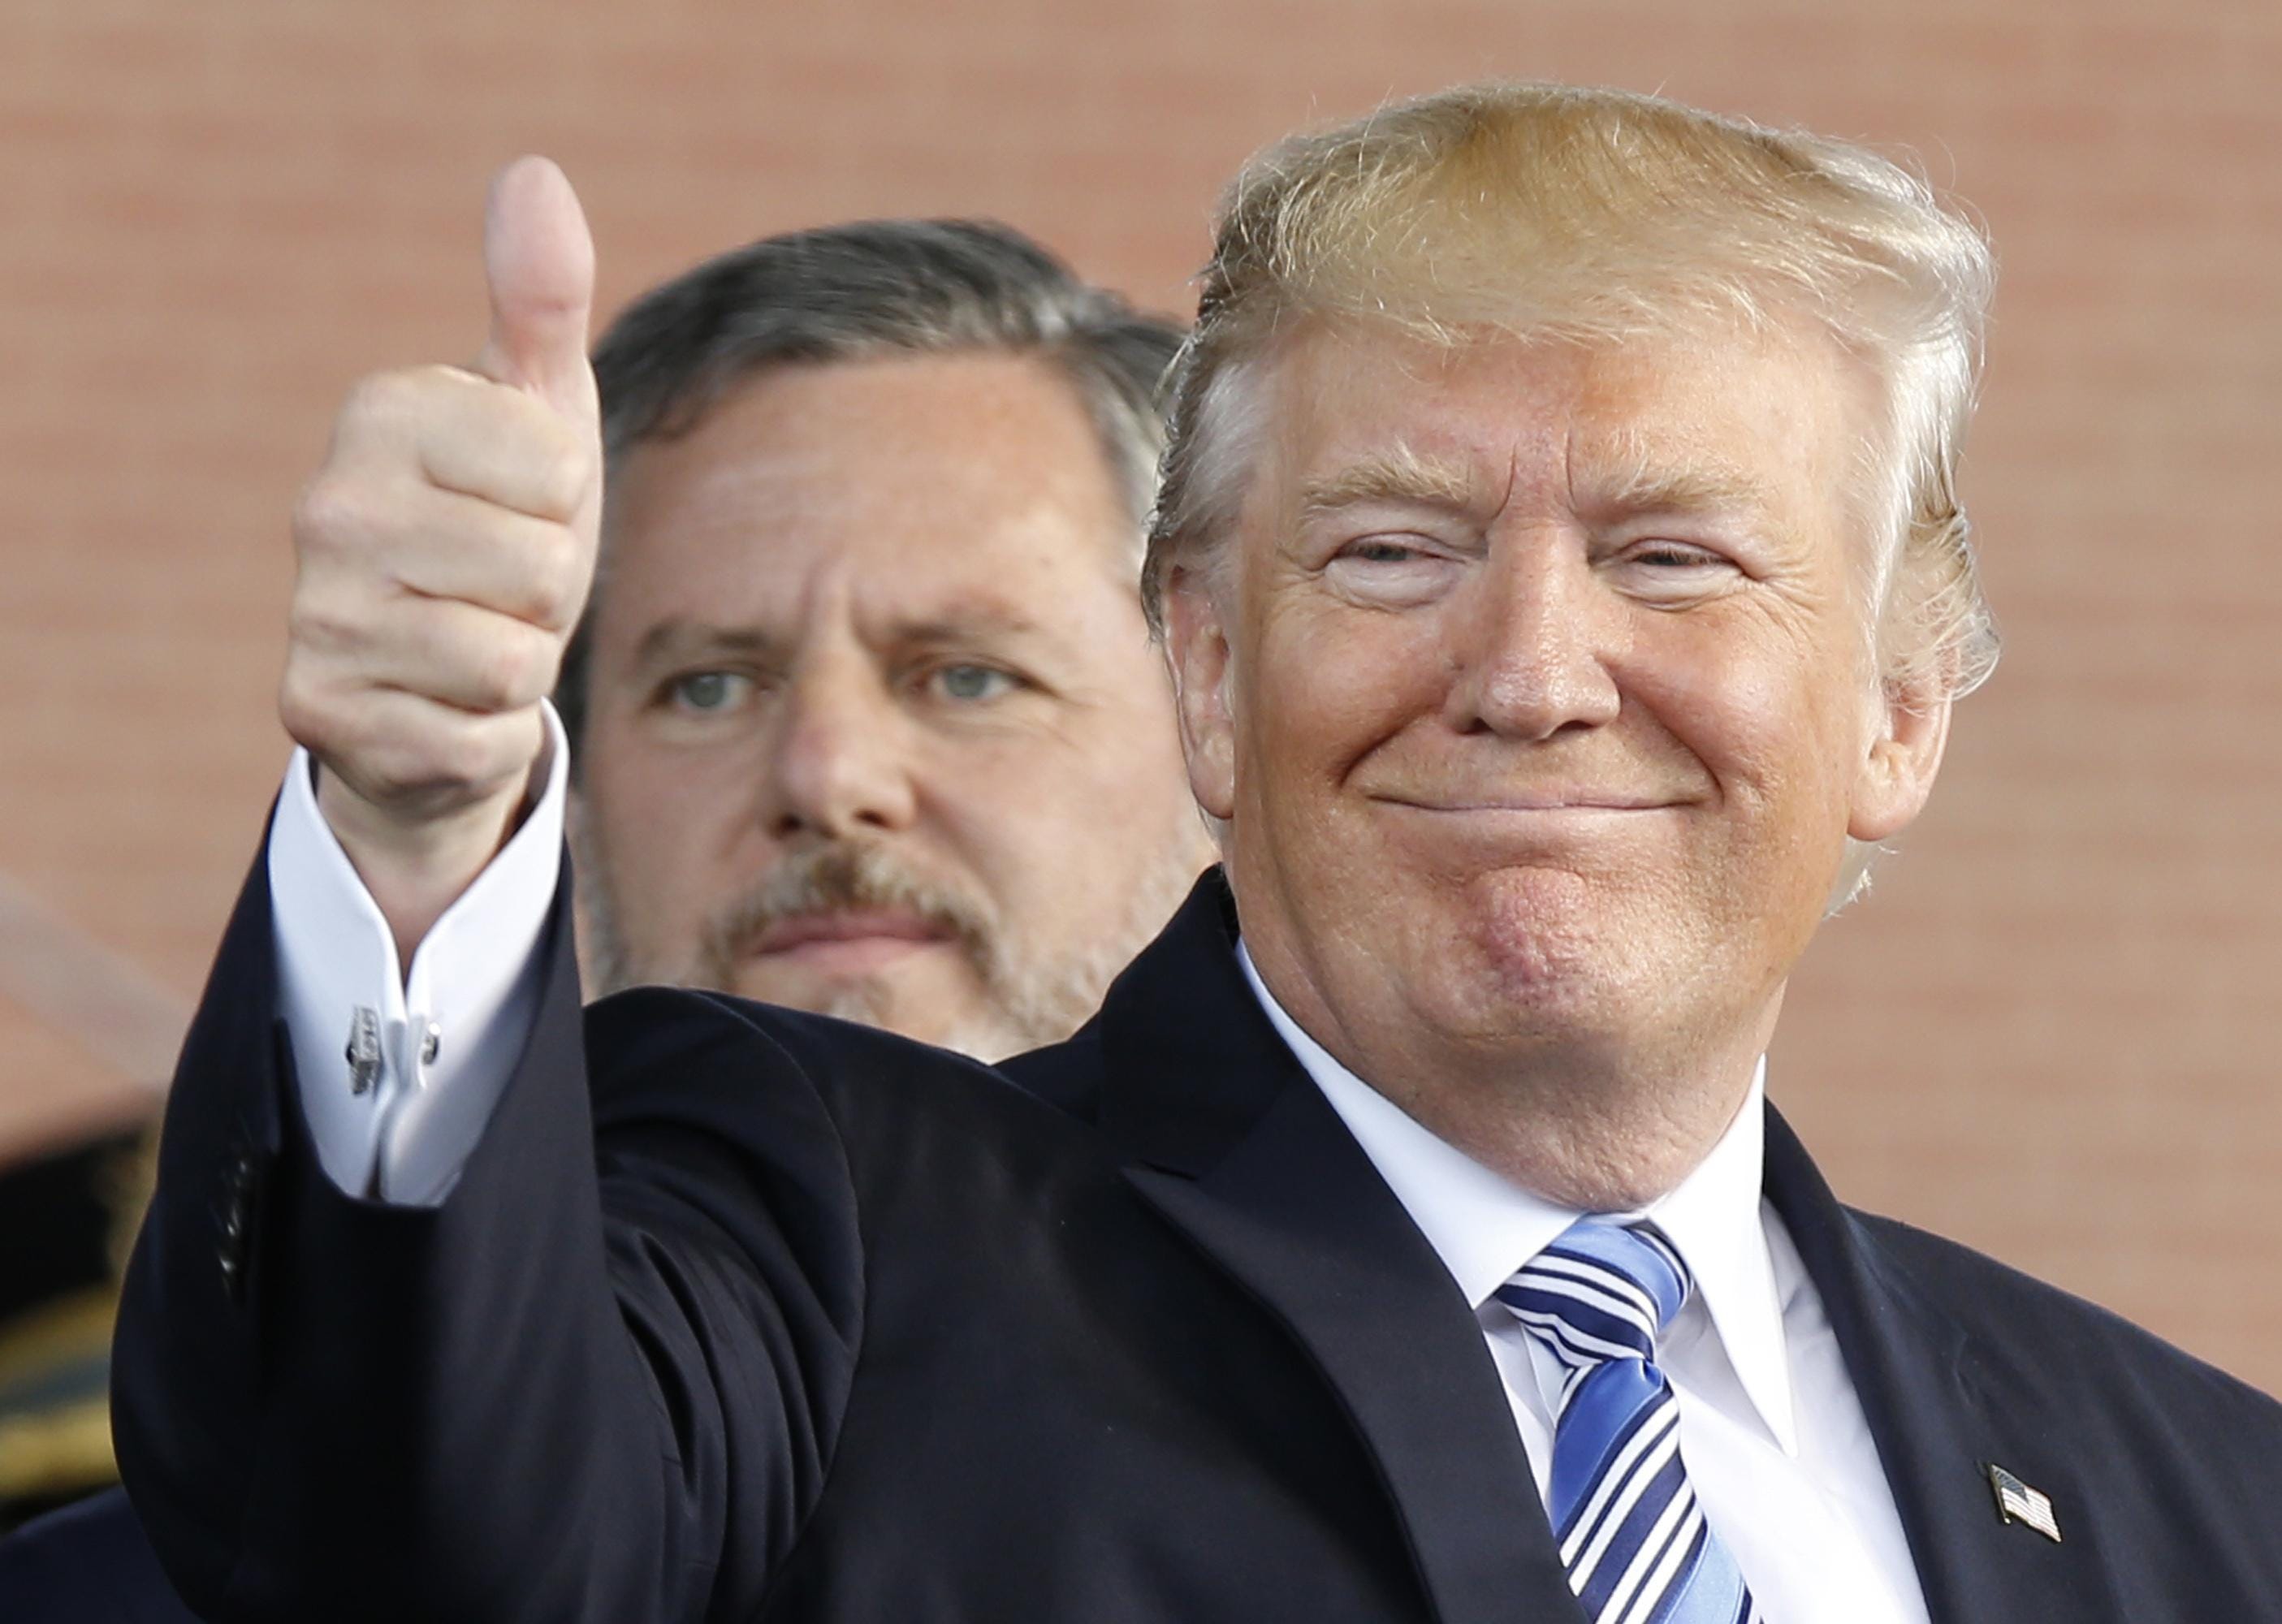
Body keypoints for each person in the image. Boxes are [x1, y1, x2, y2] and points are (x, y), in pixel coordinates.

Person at [112, 82, 2282, 1623]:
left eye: (1674, 555)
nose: (1530, 669)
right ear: (1211, 680)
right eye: (1393, 548)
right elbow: (423, 1527)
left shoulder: (2202, 1495)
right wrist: (412, 836)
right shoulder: (834, 1232)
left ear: (1897, 712)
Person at [1, 215, 1208, 1615]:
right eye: (706, 686)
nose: (826, 776)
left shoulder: (1487, 1437)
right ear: (572, 794)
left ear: (1218, 730)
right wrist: (410, 834)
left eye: (965, 677)